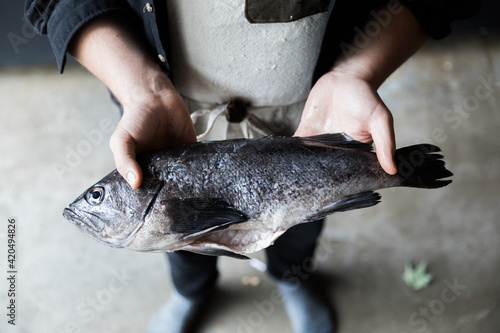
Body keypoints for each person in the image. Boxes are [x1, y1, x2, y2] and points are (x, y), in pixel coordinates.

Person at [26, 1, 480, 332]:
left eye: (98, 195)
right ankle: (192, 291)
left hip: (310, 113)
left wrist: (356, 72)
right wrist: (138, 84)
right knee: (183, 250)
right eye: (98, 195)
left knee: (300, 226)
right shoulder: (151, 186)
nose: (93, 201)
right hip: (165, 118)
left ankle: (292, 278)